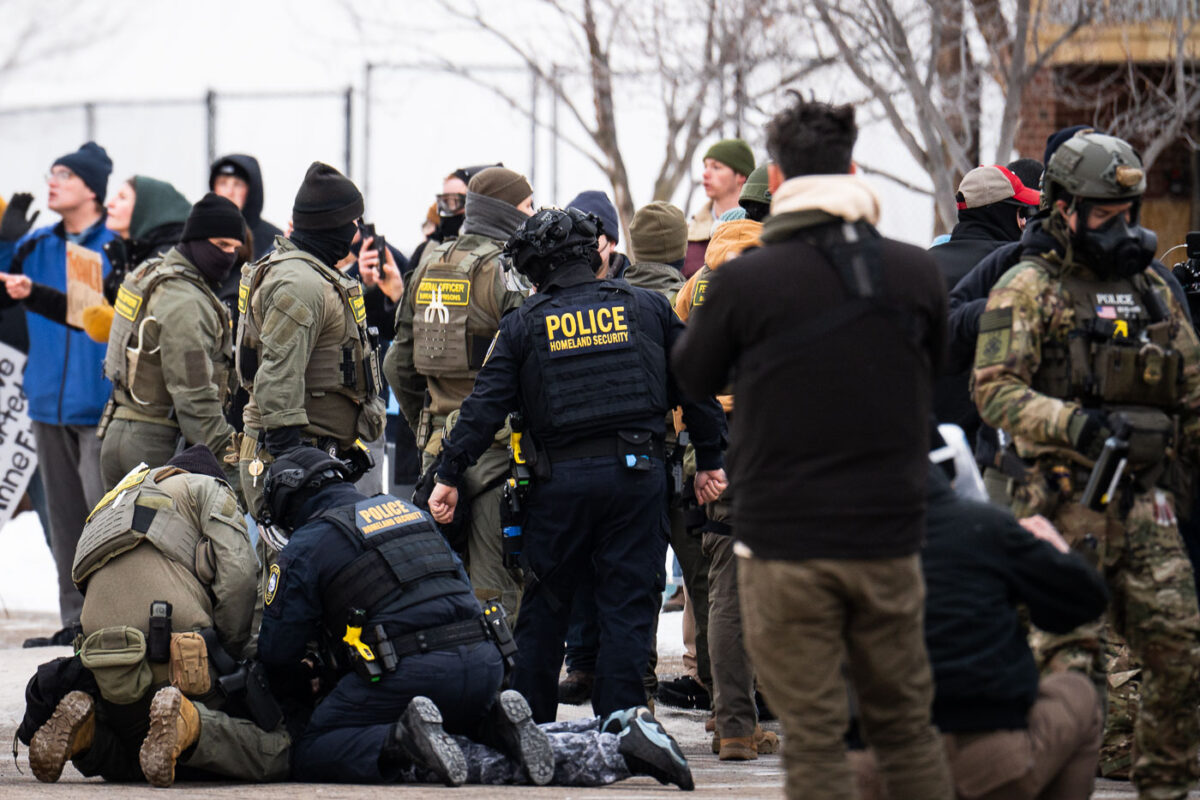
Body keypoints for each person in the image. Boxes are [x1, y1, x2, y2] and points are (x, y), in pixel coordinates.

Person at [671, 94, 953, 800]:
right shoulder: (917, 273)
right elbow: (937, 371)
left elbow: (692, 376)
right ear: (853, 167)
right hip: (890, 528)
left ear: (777, 174)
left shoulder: (744, 281)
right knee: (903, 726)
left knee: (817, 736)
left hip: (784, 535)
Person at [426, 207, 728, 727]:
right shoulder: (649, 310)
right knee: (628, 609)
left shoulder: (524, 324)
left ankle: (534, 730)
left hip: (556, 488)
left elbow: (483, 408)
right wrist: (711, 459)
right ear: (591, 255)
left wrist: (448, 474)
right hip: (636, 480)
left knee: (544, 612)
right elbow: (695, 385)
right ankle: (623, 729)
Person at [973, 130, 1200, 800]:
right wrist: (1073, 423)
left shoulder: (1150, 288)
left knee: (1180, 655)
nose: (1119, 226)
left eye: (1126, 213)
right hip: (1058, 508)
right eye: (1105, 212)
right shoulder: (1027, 287)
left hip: (1146, 507)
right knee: (1070, 677)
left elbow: (1191, 385)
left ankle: (1164, 785)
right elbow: (993, 390)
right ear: (1064, 206)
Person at [254, 446, 552, 786]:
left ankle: (401, 739)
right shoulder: (408, 510)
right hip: (486, 664)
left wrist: (310, 678)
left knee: (311, 748)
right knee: (446, 709)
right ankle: (493, 724)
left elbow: (277, 654)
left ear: (289, 502)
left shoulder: (306, 544)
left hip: (410, 672)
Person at [21, 445, 289, 787]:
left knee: (138, 752)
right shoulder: (208, 488)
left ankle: (87, 736)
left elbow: (82, 581)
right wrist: (232, 656)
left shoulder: (114, 501)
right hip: (179, 660)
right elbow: (238, 577)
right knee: (276, 750)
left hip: (104, 666)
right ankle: (188, 722)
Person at [384, 166, 534, 617]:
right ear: (506, 211)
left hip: (437, 450)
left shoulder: (428, 262)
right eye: (527, 207)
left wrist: (427, 427)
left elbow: (397, 364)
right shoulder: (510, 271)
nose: (533, 215)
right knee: (496, 587)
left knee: (445, 581)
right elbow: (528, 366)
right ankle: (501, 684)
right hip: (498, 452)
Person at [0, 142, 115, 647]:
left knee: (102, 518)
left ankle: (110, 622)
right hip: (46, 405)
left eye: (64, 176)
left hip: (98, 408)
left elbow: (92, 320)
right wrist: (4, 243)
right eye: (52, 173)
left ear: (91, 189)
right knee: (64, 523)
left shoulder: (111, 244)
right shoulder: (38, 244)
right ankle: (74, 623)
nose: (52, 182)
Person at [674, 217, 780, 762]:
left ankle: (734, 723)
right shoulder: (780, 283)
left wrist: (689, 443)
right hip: (773, 437)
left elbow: (679, 370)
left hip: (713, 440)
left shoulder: (696, 287)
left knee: (726, 588)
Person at [234, 161, 386, 519]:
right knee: (293, 570)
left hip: (319, 454)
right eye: (352, 222)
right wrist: (292, 465)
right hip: (296, 458)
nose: (356, 231)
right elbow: (277, 378)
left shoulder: (311, 273)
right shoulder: (300, 283)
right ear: (330, 224)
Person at [98, 193, 246, 491]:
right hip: (155, 447)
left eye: (234, 247)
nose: (229, 255)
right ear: (196, 239)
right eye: (221, 245)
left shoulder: (148, 272)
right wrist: (234, 467)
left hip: (119, 432)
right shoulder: (184, 301)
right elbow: (194, 399)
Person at [930, 164, 1041, 461]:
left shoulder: (921, 268)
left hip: (927, 442)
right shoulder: (1020, 272)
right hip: (992, 449)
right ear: (1012, 216)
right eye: (1023, 213)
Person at [409, 163, 501, 274]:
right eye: (444, 201)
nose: (448, 210)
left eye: (455, 201)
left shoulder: (500, 252)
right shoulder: (428, 251)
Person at [683, 138, 754, 277]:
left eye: (716, 167)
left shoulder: (762, 229)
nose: (705, 174)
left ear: (741, 176)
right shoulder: (687, 235)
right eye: (706, 167)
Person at [209, 154, 282, 262]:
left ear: (252, 191)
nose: (229, 192)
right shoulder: (199, 236)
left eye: (238, 184)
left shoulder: (274, 242)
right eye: (222, 183)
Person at [567, 190, 629, 279]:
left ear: (611, 243)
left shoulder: (632, 289)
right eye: (573, 233)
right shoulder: (549, 287)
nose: (579, 241)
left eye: (591, 235)